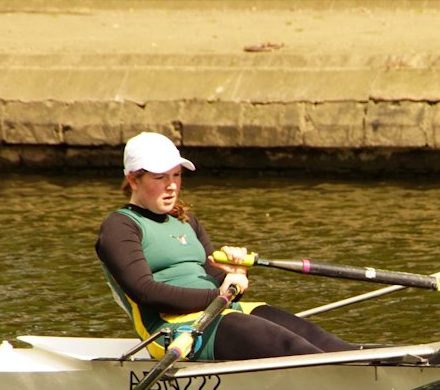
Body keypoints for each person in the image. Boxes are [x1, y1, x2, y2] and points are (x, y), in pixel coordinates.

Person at [96, 131, 355, 360]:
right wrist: (218, 295)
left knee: (317, 338)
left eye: (177, 175)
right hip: (174, 329)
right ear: (133, 180)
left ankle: (370, 364)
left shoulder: (186, 221)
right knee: (284, 343)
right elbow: (146, 293)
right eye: (160, 177)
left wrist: (234, 275)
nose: (172, 186)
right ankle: (343, 383)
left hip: (220, 311)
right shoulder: (120, 227)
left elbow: (222, 283)